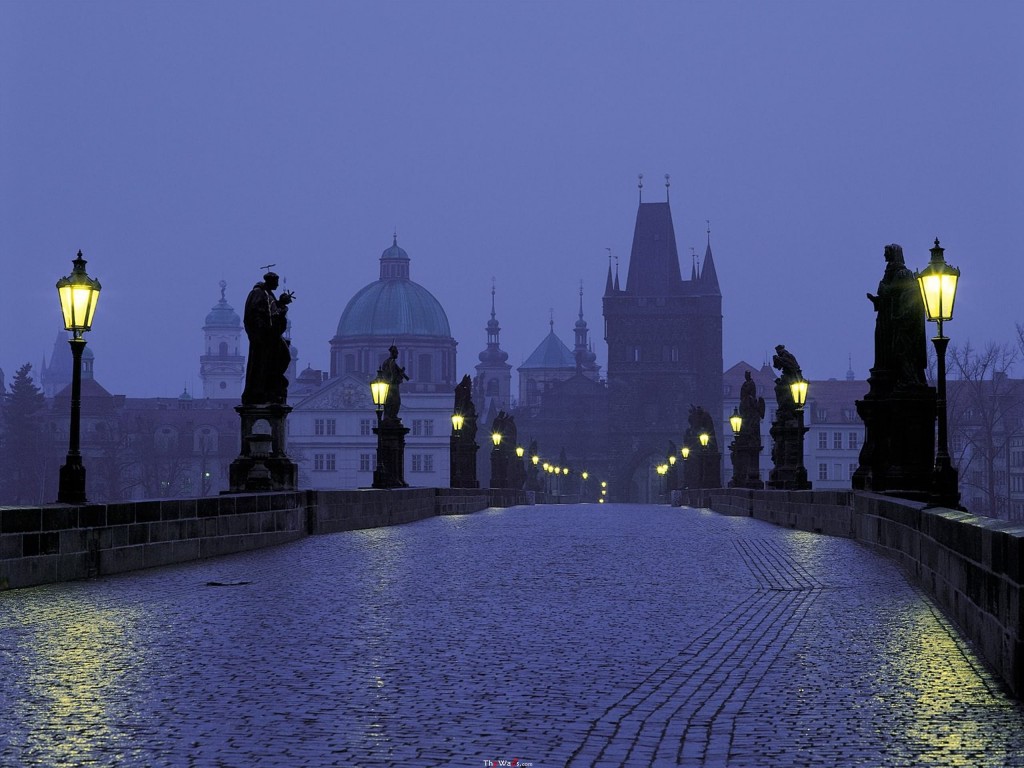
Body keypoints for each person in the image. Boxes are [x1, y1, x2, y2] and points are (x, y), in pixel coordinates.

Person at [242, 271, 294, 405]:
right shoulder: (258, 293)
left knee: (283, 358)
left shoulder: (268, 294)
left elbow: (273, 313)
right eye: (276, 283)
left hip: (271, 336)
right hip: (263, 338)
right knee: (266, 364)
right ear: (270, 281)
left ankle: (271, 387)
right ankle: (262, 391)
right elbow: (258, 315)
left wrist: (282, 303)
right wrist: (261, 333)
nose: (277, 285)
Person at [380, 345, 409, 422]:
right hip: (392, 386)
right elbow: (392, 375)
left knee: (393, 401)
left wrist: (400, 373)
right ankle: (391, 416)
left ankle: (391, 416)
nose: (397, 355)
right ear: (393, 353)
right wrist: (400, 375)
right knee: (394, 401)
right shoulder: (391, 363)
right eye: (396, 353)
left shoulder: (388, 362)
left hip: (390, 385)